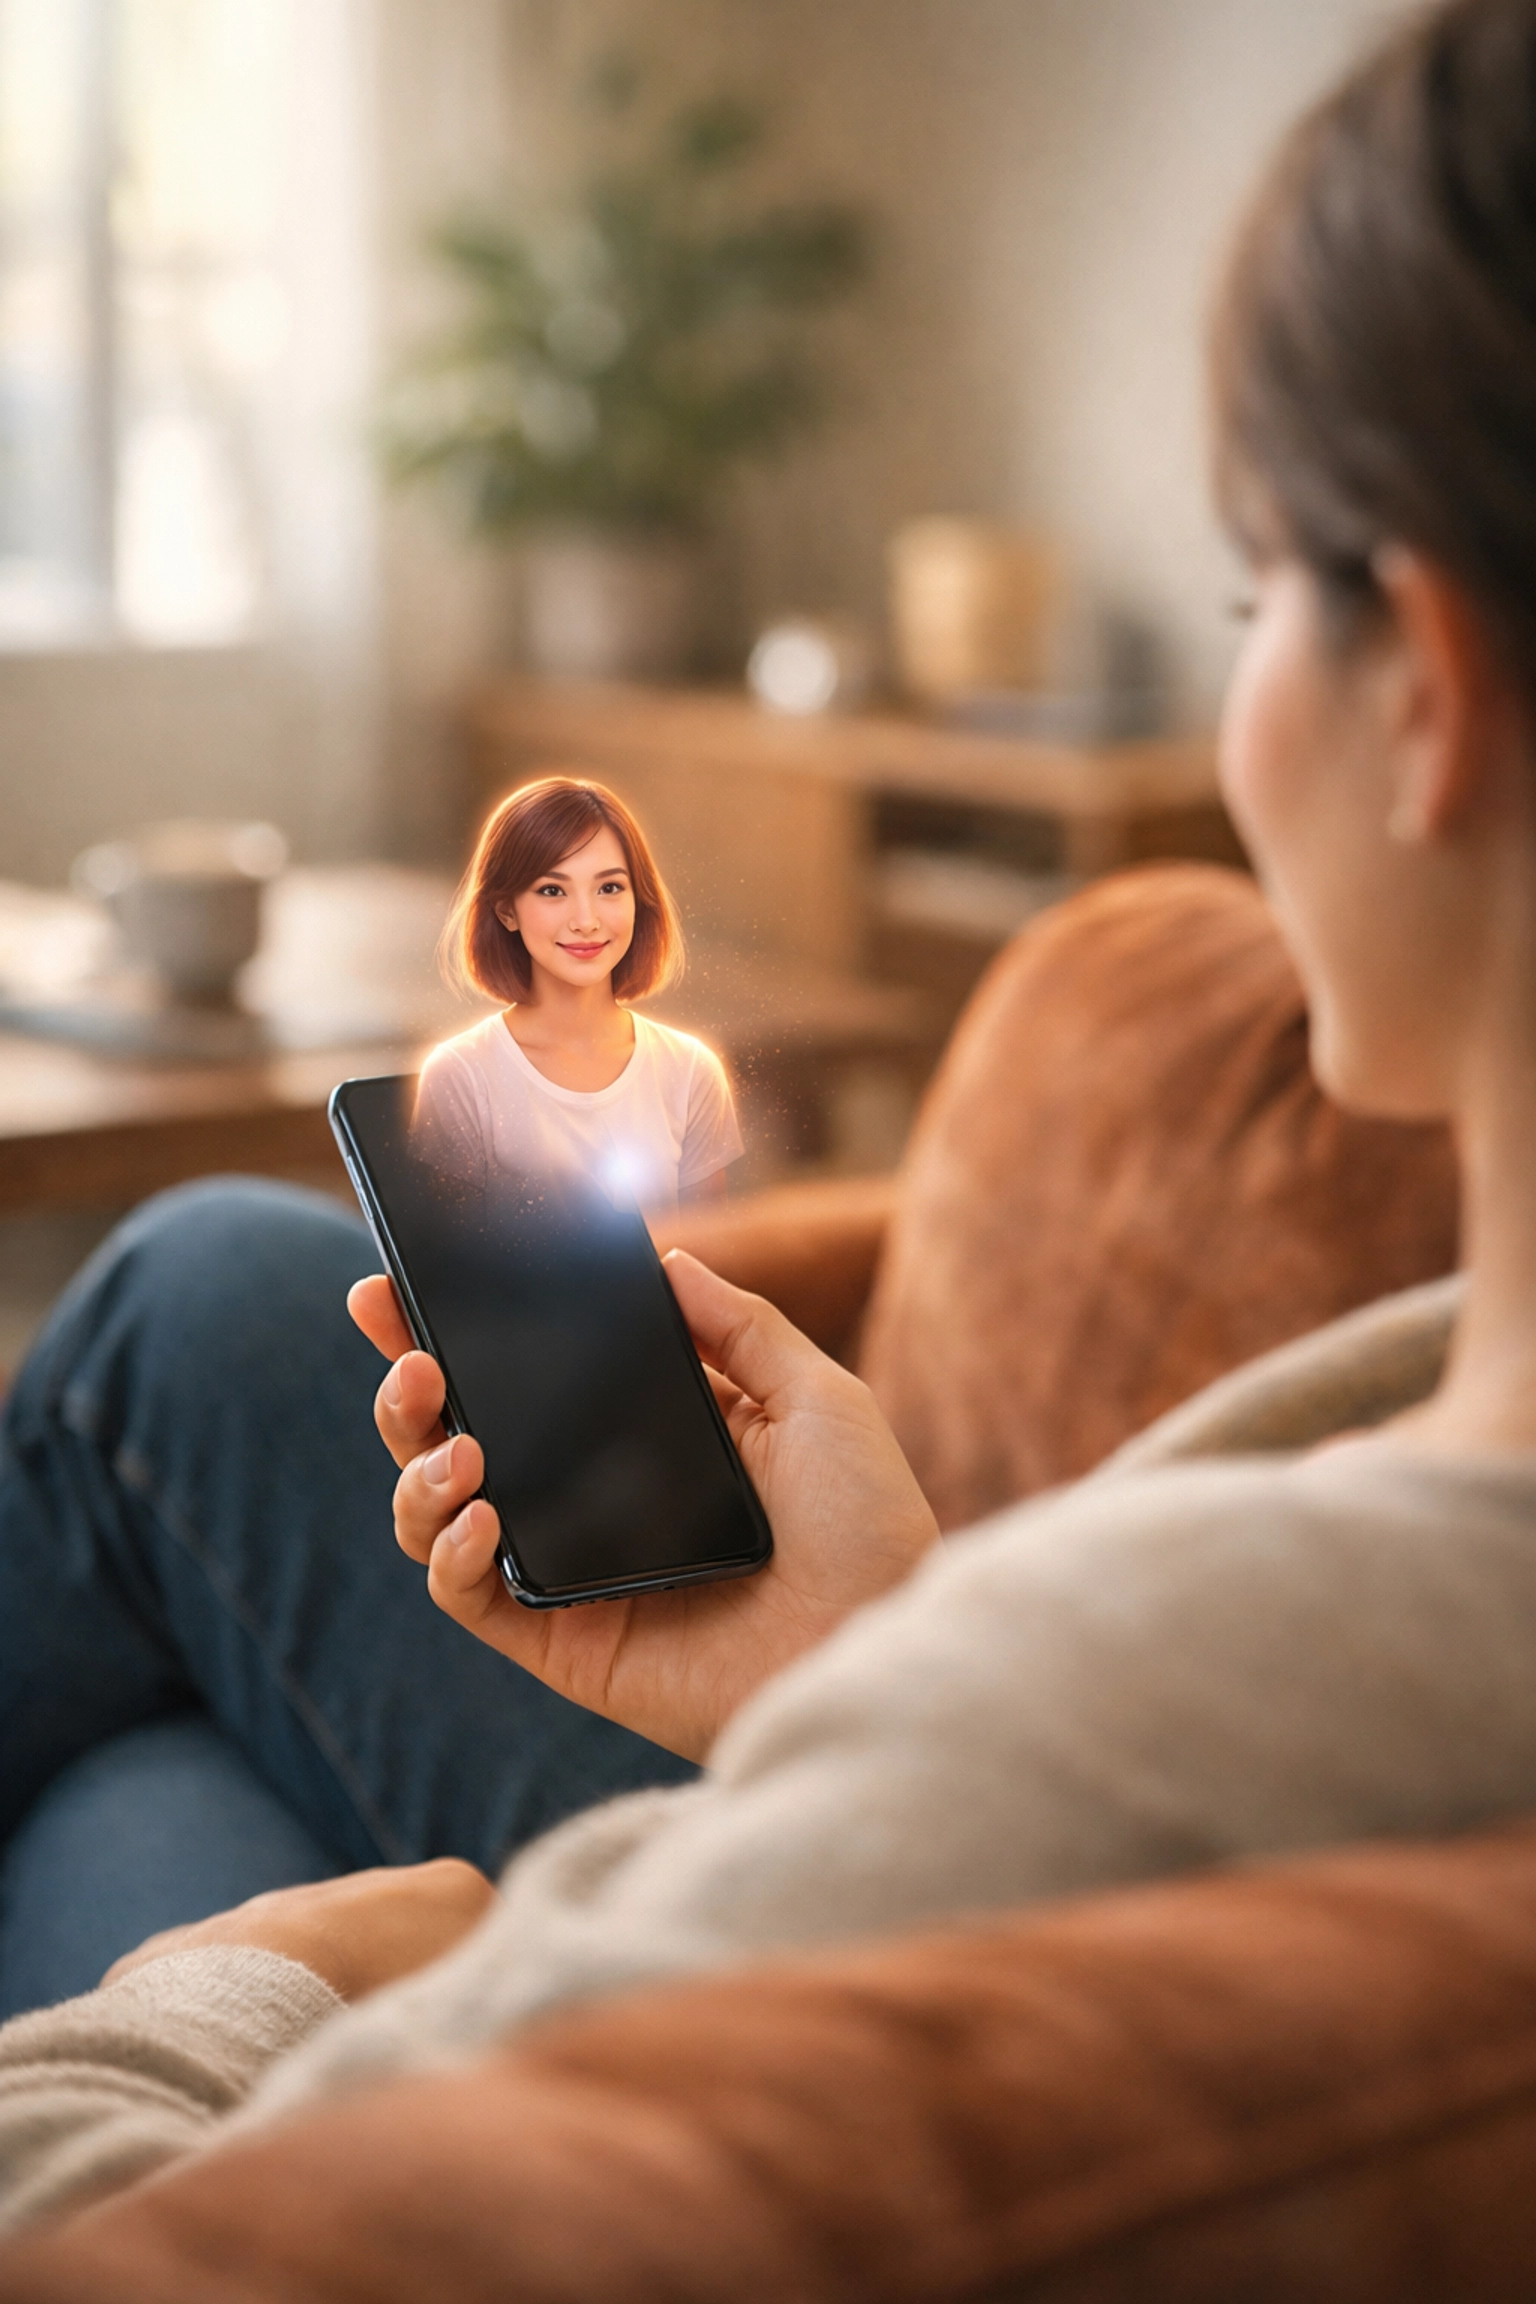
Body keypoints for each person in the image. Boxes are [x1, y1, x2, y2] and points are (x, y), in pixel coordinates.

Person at [6, 0, 1536, 2235]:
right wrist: (870, 1645)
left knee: (166, 1358)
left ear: (1429, 691)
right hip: (791, 1802)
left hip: (502, 2048)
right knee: (150, 1690)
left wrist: (243, 1990)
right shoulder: (1321, 1544)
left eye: (1244, 595)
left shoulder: (1155, 1699)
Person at [413, 775, 742, 1212]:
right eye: (552, 890)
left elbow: (706, 1262)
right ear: (506, 909)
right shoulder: (461, 1075)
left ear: (638, 899)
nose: (586, 920)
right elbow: (448, 1267)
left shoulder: (690, 1070)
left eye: (609, 888)